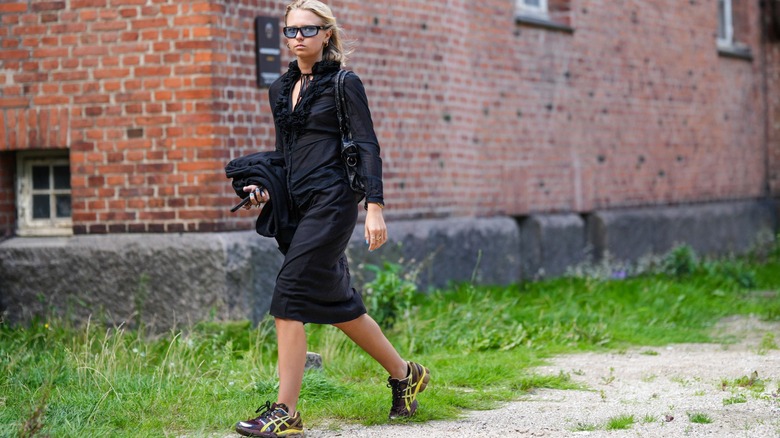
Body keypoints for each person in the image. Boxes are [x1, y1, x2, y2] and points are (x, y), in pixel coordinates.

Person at [233, 1, 429, 437]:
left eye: (308, 30)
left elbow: (367, 145)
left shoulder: (344, 83)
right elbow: (285, 155)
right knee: (339, 305)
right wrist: (263, 188)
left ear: (326, 34)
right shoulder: (279, 90)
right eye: (291, 31)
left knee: (288, 296)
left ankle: (286, 411)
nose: (298, 37)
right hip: (301, 205)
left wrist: (373, 207)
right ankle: (406, 374)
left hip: (335, 202)